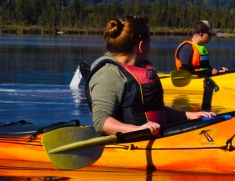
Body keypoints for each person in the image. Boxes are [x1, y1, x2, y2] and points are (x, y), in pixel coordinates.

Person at [86, 16, 215, 137]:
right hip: (130, 143)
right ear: (141, 46)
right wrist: (137, 129)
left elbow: (154, 109)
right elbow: (101, 122)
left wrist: (189, 115)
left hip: (156, 137)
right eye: (149, 43)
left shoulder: (140, 66)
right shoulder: (108, 74)